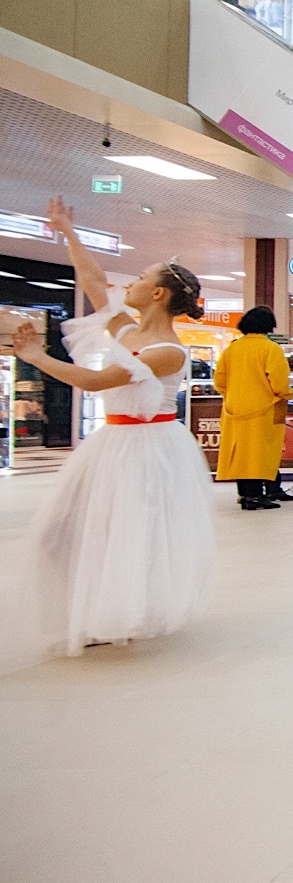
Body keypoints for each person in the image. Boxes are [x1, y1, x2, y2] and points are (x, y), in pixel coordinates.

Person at [10, 199, 213, 663]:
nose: (131, 284)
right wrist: (68, 232)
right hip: (114, 443)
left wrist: (37, 358)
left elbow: (99, 381)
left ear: (158, 294)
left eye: (141, 278)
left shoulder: (169, 351)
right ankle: (88, 611)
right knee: (65, 530)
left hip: (146, 448)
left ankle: (112, 615)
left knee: (124, 533)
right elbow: (95, 283)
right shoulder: (127, 331)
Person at [214, 306, 293, 510]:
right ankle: (257, 496)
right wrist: (287, 394)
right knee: (260, 453)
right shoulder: (270, 348)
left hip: (233, 408)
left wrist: (232, 395)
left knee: (240, 453)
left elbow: (219, 381)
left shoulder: (231, 349)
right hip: (263, 408)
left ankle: (245, 495)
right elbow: (278, 381)